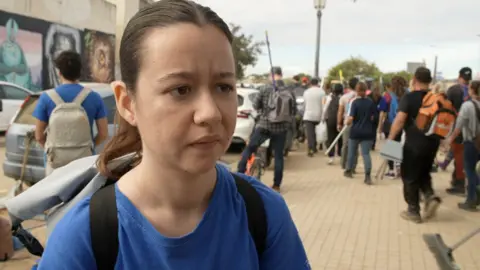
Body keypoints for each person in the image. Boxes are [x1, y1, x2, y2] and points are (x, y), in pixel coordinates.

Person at [35, 1, 308, 268]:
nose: (210, 113)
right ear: (128, 103)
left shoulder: (263, 213)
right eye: (181, 89)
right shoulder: (85, 237)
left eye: (223, 87)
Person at [33, 50, 109, 175]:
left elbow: (39, 136)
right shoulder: (94, 97)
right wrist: (89, 146)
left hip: (55, 164)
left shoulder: (46, 98)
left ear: (59, 73)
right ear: (80, 71)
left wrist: (53, 149)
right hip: (84, 162)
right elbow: (103, 133)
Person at [388, 67, 442, 223]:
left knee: (410, 176)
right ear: (429, 81)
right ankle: (430, 195)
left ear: (415, 79)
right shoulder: (436, 98)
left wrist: (391, 140)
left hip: (414, 144)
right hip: (433, 143)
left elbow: (399, 121)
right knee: (424, 171)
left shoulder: (409, 97)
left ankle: (413, 211)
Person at [238, 66, 296, 192]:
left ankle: (239, 176)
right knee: (279, 156)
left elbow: (255, 105)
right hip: (281, 129)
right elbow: (293, 111)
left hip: (264, 126)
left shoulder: (264, 88)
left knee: (250, 148)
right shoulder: (289, 90)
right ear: (281, 74)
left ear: (271, 75)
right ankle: (276, 185)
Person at [446, 80, 480, 211]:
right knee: (475, 171)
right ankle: (476, 195)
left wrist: (450, 140)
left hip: (471, 142)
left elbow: (458, 127)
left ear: (471, 90)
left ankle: (471, 199)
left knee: (470, 170)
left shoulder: (467, 106)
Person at [445, 67, 472, 195]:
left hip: (457, 128)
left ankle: (459, 184)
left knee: (459, 156)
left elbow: (446, 109)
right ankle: (457, 181)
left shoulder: (453, 90)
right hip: (472, 130)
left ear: (459, 76)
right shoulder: (474, 90)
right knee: (464, 157)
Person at [344, 82, 376, 185]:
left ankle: (349, 170)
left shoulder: (355, 103)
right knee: (366, 154)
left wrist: (347, 122)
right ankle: (367, 176)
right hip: (367, 131)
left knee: (352, 152)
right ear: (366, 90)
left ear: (357, 91)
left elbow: (351, 118)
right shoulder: (371, 102)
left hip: (355, 131)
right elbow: (374, 117)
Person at [381, 77, 407, 178]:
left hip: (390, 123)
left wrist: (379, 127)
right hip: (404, 124)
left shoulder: (387, 96)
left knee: (391, 145)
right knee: (400, 145)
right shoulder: (407, 94)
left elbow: (382, 112)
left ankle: (392, 170)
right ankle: (400, 168)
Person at [338, 77, 359, 170]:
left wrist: (339, 123)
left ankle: (343, 163)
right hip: (358, 123)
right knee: (355, 145)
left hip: (347, 122)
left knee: (345, 144)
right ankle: (353, 165)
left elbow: (340, 112)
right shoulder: (361, 97)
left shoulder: (344, 97)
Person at [302, 78, 325, 156]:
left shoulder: (306, 92)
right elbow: (323, 104)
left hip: (308, 115)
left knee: (310, 134)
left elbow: (304, 104)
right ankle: (318, 146)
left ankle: (311, 149)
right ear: (317, 83)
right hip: (319, 115)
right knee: (319, 132)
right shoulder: (322, 92)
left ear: (310, 83)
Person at [324, 83, 343, 164]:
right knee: (340, 138)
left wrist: (323, 118)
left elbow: (325, 109)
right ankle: (340, 154)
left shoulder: (329, 98)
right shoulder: (343, 98)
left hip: (330, 120)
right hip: (341, 120)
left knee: (330, 138)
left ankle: (331, 157)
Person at [368, 82, 387, 150]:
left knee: (372, 132)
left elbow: (382, 113)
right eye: (376, 89)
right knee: (371, 132)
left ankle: (371, 145)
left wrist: (380, 125)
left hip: (374, 118)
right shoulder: (368, 97)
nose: (376, 91)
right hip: (371, 118)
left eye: (377, 90)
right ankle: (371, 145)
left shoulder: (381, 98)